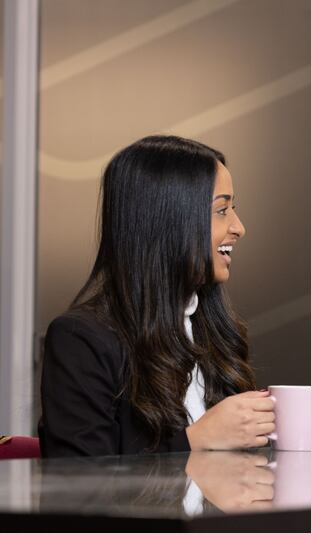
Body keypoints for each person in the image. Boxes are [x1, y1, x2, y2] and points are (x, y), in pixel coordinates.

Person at [39, 135, 275, 457]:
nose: (238, 227)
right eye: (221, 210)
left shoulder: (213, 332)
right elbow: (81, 488)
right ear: (169, 220)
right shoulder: (81, 340)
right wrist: (195, 440)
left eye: (233, 208)